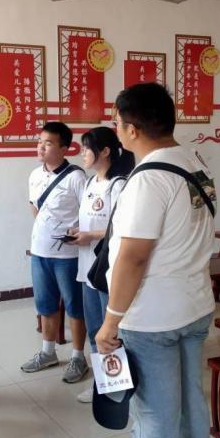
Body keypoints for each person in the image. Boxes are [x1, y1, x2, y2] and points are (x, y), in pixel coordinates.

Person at [95, 83, 217, 438]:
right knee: (191, 403)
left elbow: (133, 257)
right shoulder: (195, 161)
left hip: (152, 318)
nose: (116, 130)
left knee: (156, 414)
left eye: (117, 123)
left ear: (132, 129)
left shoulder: (147, 179)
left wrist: (110, 322)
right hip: (195, 305)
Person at [67, 127, 134, 403]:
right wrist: (77, 231)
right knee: (95, 329)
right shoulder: (90, 183)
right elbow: (91, 221)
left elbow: (121, 228)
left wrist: (91, 235)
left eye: (87, 148)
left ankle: (116, 386)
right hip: (87, 270)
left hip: (107, 271)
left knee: (111, 332)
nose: (82, 153)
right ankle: (103, 382)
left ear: (105, 151)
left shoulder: (118, 185)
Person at [21, 121, 89, 384]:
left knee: (75, 307)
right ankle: (48, 352)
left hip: (68, 256)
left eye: (48, 143)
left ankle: (78, 357)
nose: (41, 147)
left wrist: (72, 232)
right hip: (40, 252)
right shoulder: (34, 175)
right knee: (45, 304)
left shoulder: (76, 177)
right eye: (40, 141)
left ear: (65, 148)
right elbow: (35, 208)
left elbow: (88, 215)